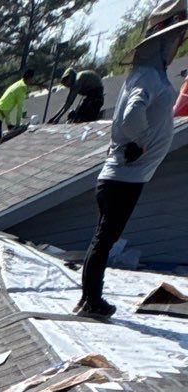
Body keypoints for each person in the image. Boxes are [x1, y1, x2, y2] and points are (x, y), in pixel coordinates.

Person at [78, 1, 186, 316]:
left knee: (103, 238)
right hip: (123, 179)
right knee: (104, 239)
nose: (176, 47)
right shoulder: (149, 78)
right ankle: (91, 301)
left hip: (121, 178)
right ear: (162, 45)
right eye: (174, 42)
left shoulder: (142, 75)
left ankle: (88, 299)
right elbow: (130, 114)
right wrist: (140, 142)